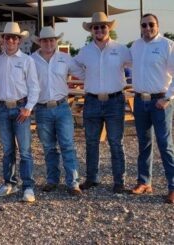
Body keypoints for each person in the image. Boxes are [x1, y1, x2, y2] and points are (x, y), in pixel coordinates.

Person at [74, 12, 131, 193]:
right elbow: (73, 66)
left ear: (109, 28)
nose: (99, 29)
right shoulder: (85, 51)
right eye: (95, 27)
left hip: (115, 100)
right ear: (91, 30)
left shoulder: (121, 49)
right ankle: (92, 178)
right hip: (91, 100)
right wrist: (87, 77)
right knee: (91, 142)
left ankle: (119, 181)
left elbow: (136, 66)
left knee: (116, 142)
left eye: (102, 26)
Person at [31, 26, 84, 195]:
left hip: (62, 107)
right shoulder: (31, 60)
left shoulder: (65, 58)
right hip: (42, 108)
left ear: (56, 41)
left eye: (51, 40)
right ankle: (52, 180)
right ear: (39, 42)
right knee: (48, 147)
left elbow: (83, 74)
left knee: (67, 145)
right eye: (45, 40)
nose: (48, 43)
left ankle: (73, 183)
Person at [0, 22, 40, 202]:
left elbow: (34, 87)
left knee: (25, 151)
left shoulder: (27, 60)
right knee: (7, 150)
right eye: (7, 37)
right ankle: (9, 183)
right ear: (3, 40)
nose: (11, 40)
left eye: (14, 37)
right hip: (3, 108)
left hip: (21, 108)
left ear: (19, 41)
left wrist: (28, 108)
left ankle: (28, 186)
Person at [130, 13, 174, 204]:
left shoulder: (167, 45)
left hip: (160, 102)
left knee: (165, 144)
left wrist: (167, 98)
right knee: (144, 143)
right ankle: (144, 181)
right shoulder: (135, 46)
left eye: (151, 24)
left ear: (158, 25)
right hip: (140, 101)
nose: (147, 28)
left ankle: (173, 186)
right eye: (144, 25)